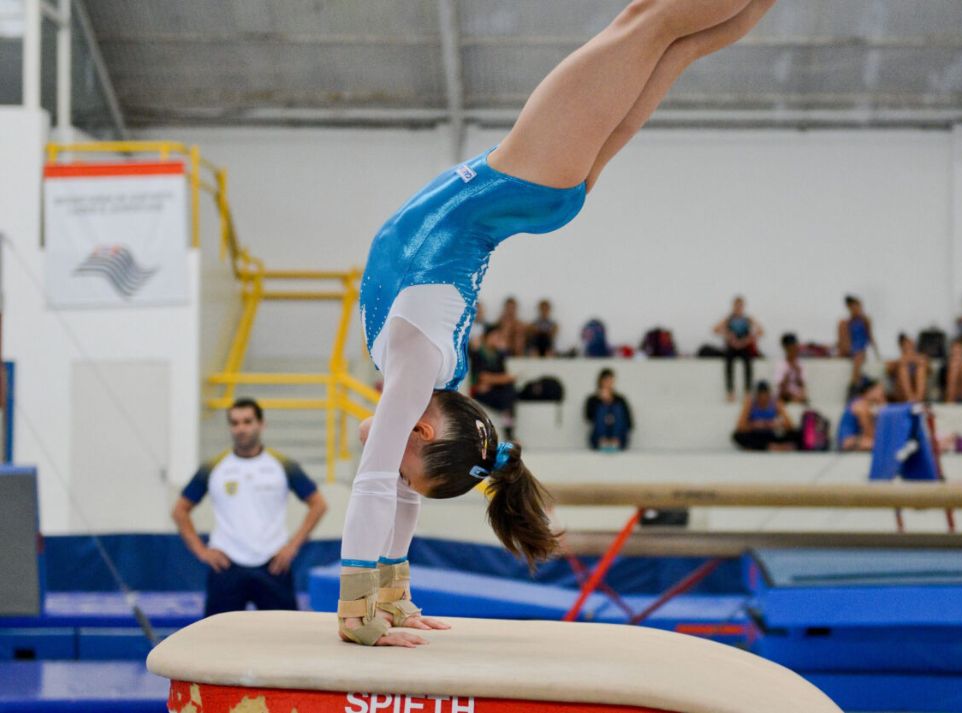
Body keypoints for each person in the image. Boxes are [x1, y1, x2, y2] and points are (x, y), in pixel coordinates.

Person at [343, 0, 778, 648]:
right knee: (651, 21)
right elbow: (382, 481)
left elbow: (394, 483)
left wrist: (392, 596)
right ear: (424, 429)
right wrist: (358, 610)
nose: (393, 469)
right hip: (524, 177)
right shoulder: (416, 368)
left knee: (675, 43)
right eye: (411, 467)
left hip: (540, 189)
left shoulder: (430, 375)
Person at [172, 398, 327, 617]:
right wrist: (202, 551)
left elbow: (318, 504)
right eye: (235, 423)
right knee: (218, 635)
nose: (241, 428)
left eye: (247, 421)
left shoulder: (282, 465)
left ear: (261, 424)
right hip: (226, 565)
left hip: (273, 564)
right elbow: (180, 510)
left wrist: (292, 547)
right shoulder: (213, 467)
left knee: (283, 633)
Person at [470, 325, 518, 440]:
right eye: (495, 336)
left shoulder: (499, 355)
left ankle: (508, 429)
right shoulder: (478, 353)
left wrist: (496, 380)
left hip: (495, 390)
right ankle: (509, 433)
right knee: (509, 396)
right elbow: (483, 377)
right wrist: (503, 379)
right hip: (481, 392)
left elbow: (501, 375)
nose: (497, 339)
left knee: (509, 394)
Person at [713, 296, 763, 402]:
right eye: (736, 305)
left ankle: (747, 391)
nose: (738, 308)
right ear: (733, 306)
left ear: (743, 306)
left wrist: (748, 339)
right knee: (728, 364)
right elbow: (715, 329)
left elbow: (761, 331)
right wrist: (728, 335)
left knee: (748, 364)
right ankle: (730, 391)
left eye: (740, 306)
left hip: (744, 346)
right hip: (732, 347)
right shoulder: (729, 319)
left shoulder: (747, 319)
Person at [731, 381, 797, 451]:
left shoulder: (775, 403)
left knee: (794, 434)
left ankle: (766, 446)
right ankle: (770, 446)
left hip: (770, 433)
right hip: (756, 433)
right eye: (760, 396)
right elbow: (740, 426)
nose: (763, 399)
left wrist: (776, 424)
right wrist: (754, 425)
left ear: (769, 395)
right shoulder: (750, 403)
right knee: (737, 435)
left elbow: (790, 426)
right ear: (756, 396)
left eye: (765, 396)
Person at [584, 368, 633, 451]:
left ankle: (615, 439)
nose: (608, 383)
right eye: (606, 380)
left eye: (610, 381)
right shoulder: (593, 399)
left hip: (619, 439)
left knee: (617, 408)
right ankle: (603, 440)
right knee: (602, 408)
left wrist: (611, 401)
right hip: (598, 439)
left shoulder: (620, 400)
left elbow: (629, 422)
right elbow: (588, 418)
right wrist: (600, 401)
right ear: (600, 381)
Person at [837, 295, 878, 387]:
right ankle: (856, 381)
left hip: (860, 350)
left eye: (857, 307)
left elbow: (870, 337)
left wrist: (877, 354)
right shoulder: (846, 323)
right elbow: (844, 340)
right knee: (856, 356)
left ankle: (854, 382)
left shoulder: (865, 321)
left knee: (858, 357)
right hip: (852, 349)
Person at [837, 378, 886, 451]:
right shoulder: (859, 405)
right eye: (878, 390)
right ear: (869, 391)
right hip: (848, 441)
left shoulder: (871, 406)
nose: (882, 393)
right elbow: (870, 434)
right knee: (877, 444)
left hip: (860, 438)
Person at [886, 333, 929, 403]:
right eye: (906, 344)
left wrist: (915, 359)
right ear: (901, 347)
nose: (909, 346)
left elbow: (929, 368)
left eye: (910, 344)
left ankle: (918, 400)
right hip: (901, 394)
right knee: (903, 368)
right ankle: (911, 400)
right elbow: (888, 369)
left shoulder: (921, 359)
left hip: (918, 392)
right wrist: (903, 360)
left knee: (921, 368)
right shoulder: (896, 361)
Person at [773, 332, 807, 404]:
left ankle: (796, 400)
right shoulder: (781, 364)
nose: (793, 350)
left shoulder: (800, 364)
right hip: (784, 395)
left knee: (803, 394)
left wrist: (798, 373)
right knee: (783, 393)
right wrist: (788, 373)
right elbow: (780, 386)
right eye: (791, 348)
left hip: (797, 394)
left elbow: (802, 385)